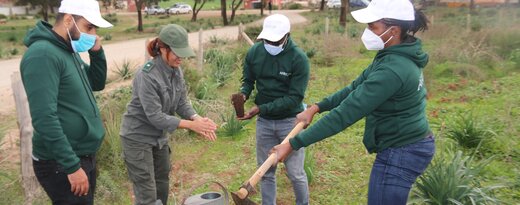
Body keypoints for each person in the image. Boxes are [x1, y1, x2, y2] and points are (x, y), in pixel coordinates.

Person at [271, 0, 435, 204]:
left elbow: (346, 114)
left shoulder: (393, 70)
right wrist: (316, 108)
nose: (367, 31)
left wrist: (293, 144)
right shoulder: (391, 56)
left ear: (393, 30)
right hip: (405, 143)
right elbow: (355, 87)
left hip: (402, 150)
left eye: (372, 26)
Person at [20, 0, 113, 204]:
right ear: (69, 20)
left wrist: (96, 52)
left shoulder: (66, 51)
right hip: (61, 162)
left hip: (79, 156)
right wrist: (71, 166)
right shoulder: (43, 55)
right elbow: (45, 118)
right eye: (89, 26)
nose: (93, 33)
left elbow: (96, 83)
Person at [120, 24, 218, 205]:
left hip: (159, 137)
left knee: (162, 186)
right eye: (177, 53)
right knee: (147, 193)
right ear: (162, 49)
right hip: (137, 138)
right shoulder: (147, 75)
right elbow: (155, 116)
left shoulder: (176, 70)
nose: (180, 58)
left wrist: (197, 118)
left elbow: (181, 102)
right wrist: (191, 126)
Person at [233, 14, 310, 205]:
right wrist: (244, 94)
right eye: (267, 39)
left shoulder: (298, 59)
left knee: (295, 173)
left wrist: (260, 108)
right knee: (265, 173)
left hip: (290, 122)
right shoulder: (255, 53)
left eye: (275, 40)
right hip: (265, 123)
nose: (270, 43)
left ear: (287, 36)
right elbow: (248, 80)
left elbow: (295, 98)